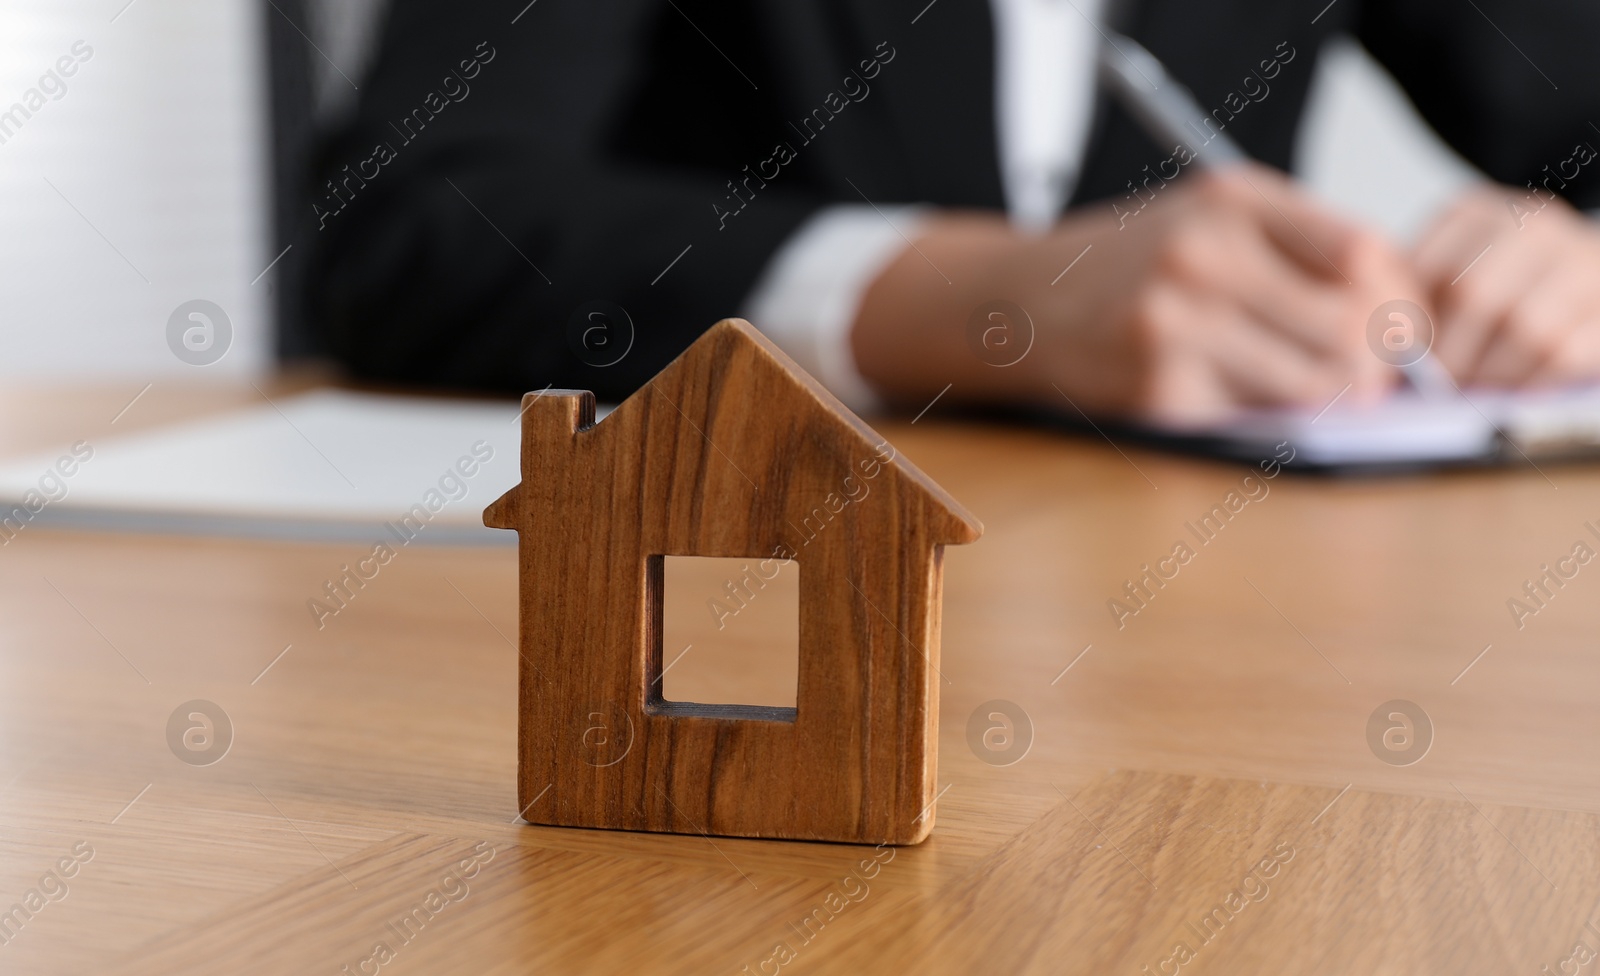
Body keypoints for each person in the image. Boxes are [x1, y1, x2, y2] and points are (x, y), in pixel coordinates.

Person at [303, 0, 1600, 424]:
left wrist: (1577, 270)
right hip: (753, 554)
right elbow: (410, 221)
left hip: (1218, 616)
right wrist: (980, 297)